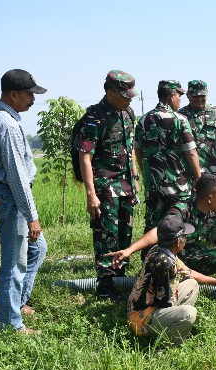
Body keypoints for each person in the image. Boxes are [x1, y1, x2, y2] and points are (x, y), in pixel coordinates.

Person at [0, 69, 48, 334]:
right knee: (14, 262)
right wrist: (31, 215)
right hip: (10, 197)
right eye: (30, 94)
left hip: (7, 196)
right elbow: (17, 176)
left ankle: (16, 303)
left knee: (37, 248)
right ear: (14, 94)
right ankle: (10, 323)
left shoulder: (1, 118)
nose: (33, 99)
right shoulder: (5, 124)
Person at [108, 174, 216, 292]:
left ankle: (186, 277)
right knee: (168, 265)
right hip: (168, 256)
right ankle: (174, 277)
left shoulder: (215, 211)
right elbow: (158, 231)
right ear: (210, 198)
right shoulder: (182, 210)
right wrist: (129, 250)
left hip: (187, 253)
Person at [74, 70, 140, 301]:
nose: (130, 98)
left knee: (125, 232)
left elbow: (130, 147)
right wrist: (91, 195)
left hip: (125, 186)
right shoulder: (95, 117)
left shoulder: (128, 113)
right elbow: (85, 157)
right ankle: (105, 285)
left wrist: (135, 177)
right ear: (110, 93)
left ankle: (120, 277)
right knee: (106, 235)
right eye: (125, 95)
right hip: (105, 187)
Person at [127, 215, 216, 345]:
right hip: (141, 319)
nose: (186, 240)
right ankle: (169, 343)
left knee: (192, 284)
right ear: (178, 242)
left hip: (151, 306)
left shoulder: (160, 250)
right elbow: (164, 303)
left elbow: (188, 272)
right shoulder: (165, 264)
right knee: (189, 314)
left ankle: (175, 326)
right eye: (185, 237)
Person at [134, 80, 202, 238]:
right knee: (177, 223)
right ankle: (175, 258)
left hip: (153, 185)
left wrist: (146, 175)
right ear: (172, 96)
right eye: (179, 96)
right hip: (177, 185)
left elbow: (138, 150)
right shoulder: (180, 119)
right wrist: (198, 177)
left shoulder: (143, 120)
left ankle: (150, 256)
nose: (180, 100)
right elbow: (190, 152)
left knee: (153, 224)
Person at [178, 80, 216, 179]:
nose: (199, 99)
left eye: (202, 96)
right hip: (188, 172)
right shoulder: (180, 115)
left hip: (213, 170)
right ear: (188, 95)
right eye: (195, 96)